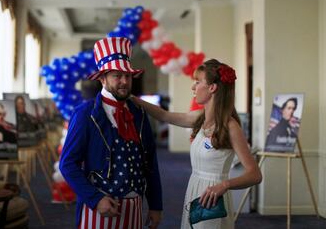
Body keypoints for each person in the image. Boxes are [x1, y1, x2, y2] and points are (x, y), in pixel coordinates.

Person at [131, 59, 262, 229]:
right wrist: (132, 99)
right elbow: (164, 115)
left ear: (212, 88)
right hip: (194, 189)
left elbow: (255, 174)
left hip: (213, 197)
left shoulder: (231, 127)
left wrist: (225, 185)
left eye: (197, 82)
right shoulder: (200, 117)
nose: (193, 87)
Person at [60, 37, 163, 229]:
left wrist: (156, 205)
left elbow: (150, 163)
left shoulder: (139, 113)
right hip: (99, 209)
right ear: (102, 78)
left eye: (128, 76)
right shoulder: (85, 114)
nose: (124, 81)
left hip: (134, 209)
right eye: (117, 75)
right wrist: (96, 199)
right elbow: (67, 164)